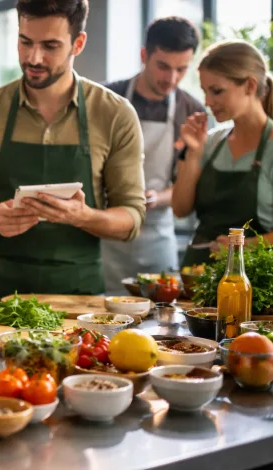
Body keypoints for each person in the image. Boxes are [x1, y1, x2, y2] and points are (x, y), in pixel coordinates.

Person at [0, 0, 146, 303]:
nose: (34, 58)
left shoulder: (114, 114)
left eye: (50, 46)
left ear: (79, 43)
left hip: (79, 297)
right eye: (25, 42)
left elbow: (132, 218)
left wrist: (82, 216)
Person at [101, 17, 205, 295]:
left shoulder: (192, 111)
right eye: (163, 66)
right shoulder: (107, 99)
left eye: (181, 69)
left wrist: (157, 197)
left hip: (158, 235)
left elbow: (192, 184)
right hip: (106, 233)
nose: (171, 78)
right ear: (144, 55)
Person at [174, 40, 273, 267]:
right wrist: (194, 152)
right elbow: (180, 208)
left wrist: (242, 246)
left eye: (217, 91)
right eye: (205, 92)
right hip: (197, 276)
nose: (208, 103)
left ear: (249, 85)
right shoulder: (212, 141)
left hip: (252, 279)